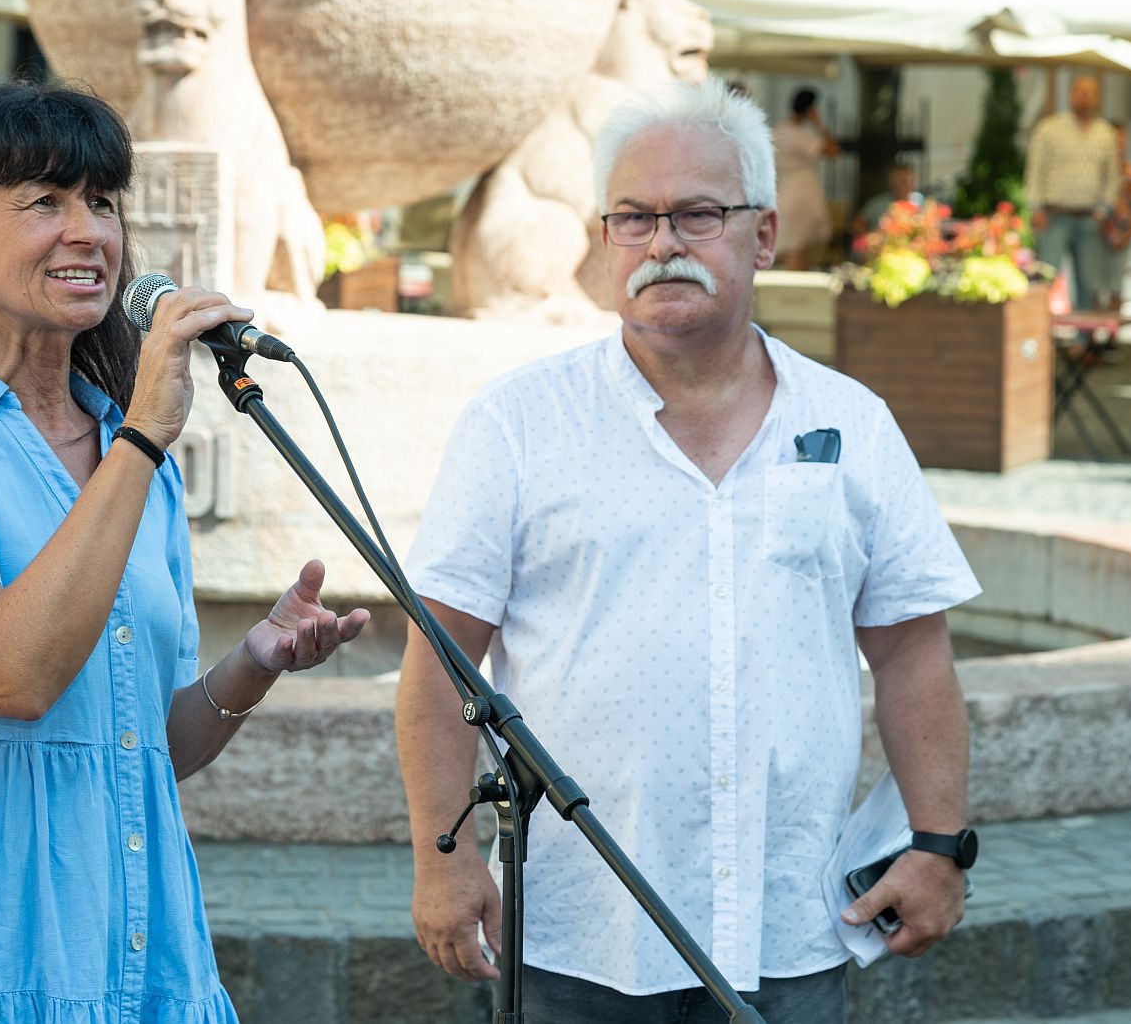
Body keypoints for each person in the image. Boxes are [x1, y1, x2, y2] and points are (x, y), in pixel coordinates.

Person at [396, 77, 980, 1024]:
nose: (662, 243)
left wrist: (939, 841)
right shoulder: (517, 424)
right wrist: (443, 856)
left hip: (786, 926)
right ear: (606, 239)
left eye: (698, 214)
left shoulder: (853, 423)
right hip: (578, 934)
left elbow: (914, 651)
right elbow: (439, 661)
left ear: (763, 236)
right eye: (634, 217)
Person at [0, 82, 370, 1022]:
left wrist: (255, 661)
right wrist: (143, 437)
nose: (89, 232)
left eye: (103, 201)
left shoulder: (128, 455)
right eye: (44, 202)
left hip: (143, 967)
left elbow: (144, 745)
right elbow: (6, 676)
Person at [1024, 74, 1119, 311]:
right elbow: (1035, 169)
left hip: (1088, 217)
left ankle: (1083, 334)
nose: (1084, 97)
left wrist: (1103, 210)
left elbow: (1112, 176)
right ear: (1071, 94)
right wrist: (1036, 207)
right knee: (1046, 277)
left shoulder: (1105, 133)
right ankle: (1040, 328)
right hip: (1054, 215)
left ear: (1097, 97)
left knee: (1088, 282)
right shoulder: (1050, 128)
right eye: (1080, 91)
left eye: (1090, 93)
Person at [771, 87, 840, 271]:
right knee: (797, 246)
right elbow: (833, 150)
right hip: (802, 191)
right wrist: (818, 123)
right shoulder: (801, 135)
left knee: (790, 243)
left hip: (783, 189)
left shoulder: (778, 130)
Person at [1095, 121, 1131, 312]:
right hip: (1096, 235)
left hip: (1121, 237)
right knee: (1094, 286)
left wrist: (1129, 234)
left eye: (1122, 140)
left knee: (1116, 288)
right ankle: (1094, 327)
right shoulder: (1095, 171)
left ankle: (1113, 327)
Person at [851, 162, 924, 242]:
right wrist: (871, 237)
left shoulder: (922, 204)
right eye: (898, 180)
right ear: (891, 182)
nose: (902, 185)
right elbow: (857, 225)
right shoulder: (878, 203)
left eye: (905, 180)